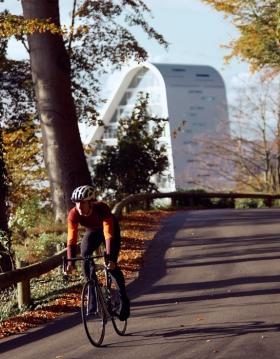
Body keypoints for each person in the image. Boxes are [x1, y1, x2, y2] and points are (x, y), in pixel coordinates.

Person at [66, 184, 130, 321]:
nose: (79, 207)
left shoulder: (101, 208)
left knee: (110, 264)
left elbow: (108, 234)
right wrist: (70, 261)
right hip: (93, 232)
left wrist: (111, 258)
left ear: (91, 202)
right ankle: (94, 294)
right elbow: (71, 238)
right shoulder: (73, 214)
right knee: (85, 256)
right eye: (77, 203)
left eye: (82, 203)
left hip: (110, 231)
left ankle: (124, 299)